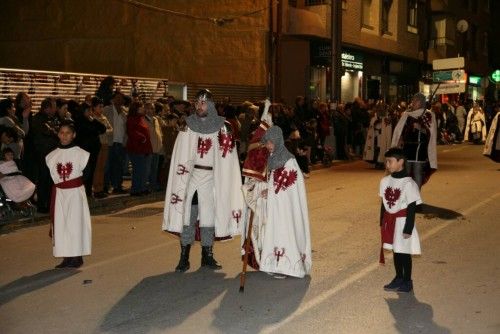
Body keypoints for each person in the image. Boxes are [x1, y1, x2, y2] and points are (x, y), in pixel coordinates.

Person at [162, 89, 244, 272]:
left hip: (213, 178)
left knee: (209, 218)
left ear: (211, 105)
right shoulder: (187, 125)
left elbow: (228, 158)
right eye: (197, 103)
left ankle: (207, 255)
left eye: (203, 103)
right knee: (187, 217)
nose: (199, 106)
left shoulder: (223, 127)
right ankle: (184, 257)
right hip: (191, 177)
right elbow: (180, 155)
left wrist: (223, 181)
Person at [254, 125, 312, 279]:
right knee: (275, 231)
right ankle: (275, 263)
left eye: (271, 142)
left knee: (285, 232)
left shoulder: (289, 162)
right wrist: (268, 189)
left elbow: (288, 188)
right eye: (267, 142)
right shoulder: (273, 159)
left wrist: (271, 191)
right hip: (277, 206)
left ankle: (287, 266)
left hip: (286, 209)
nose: (268, 146)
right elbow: (276, 183)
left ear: (278, 141)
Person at [46, 121, 91, 268]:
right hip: (59, 194)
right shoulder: (51, 155)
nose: (64, 136)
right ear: (58, 134)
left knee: (74, 224)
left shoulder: (81, 153)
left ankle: (76, 256)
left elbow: (87, 173)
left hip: (75, 193)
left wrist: (74, 184)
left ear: (74, 135)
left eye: (68, 133)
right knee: (62, 224)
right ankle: (66, 257)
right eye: (62, 133)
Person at [379, 147, 422, 293]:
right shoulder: (385, 181)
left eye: (390, 161)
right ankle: (398, 277)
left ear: (400, 162)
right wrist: (381, 222)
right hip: (390, 222)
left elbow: (411, 207)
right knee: (396, 251)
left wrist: (408, 228)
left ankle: (407, 281)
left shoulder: (408, 183)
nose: (387, 164)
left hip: (403, 222)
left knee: (404, 251)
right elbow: (383, 203)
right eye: (386, 161)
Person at [391, 93, 437, 189]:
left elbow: (431, 133)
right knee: (407, 173)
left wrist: (420, 128)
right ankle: (407, 195)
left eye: (415, 101)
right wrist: (399, 139)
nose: (412, 103)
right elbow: (400, 130)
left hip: (419, 147)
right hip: (407, 147)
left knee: (417, 171)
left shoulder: (428, 114)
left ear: (420, 102)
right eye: (413, 101)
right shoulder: (407, 114)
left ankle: (416, 196)